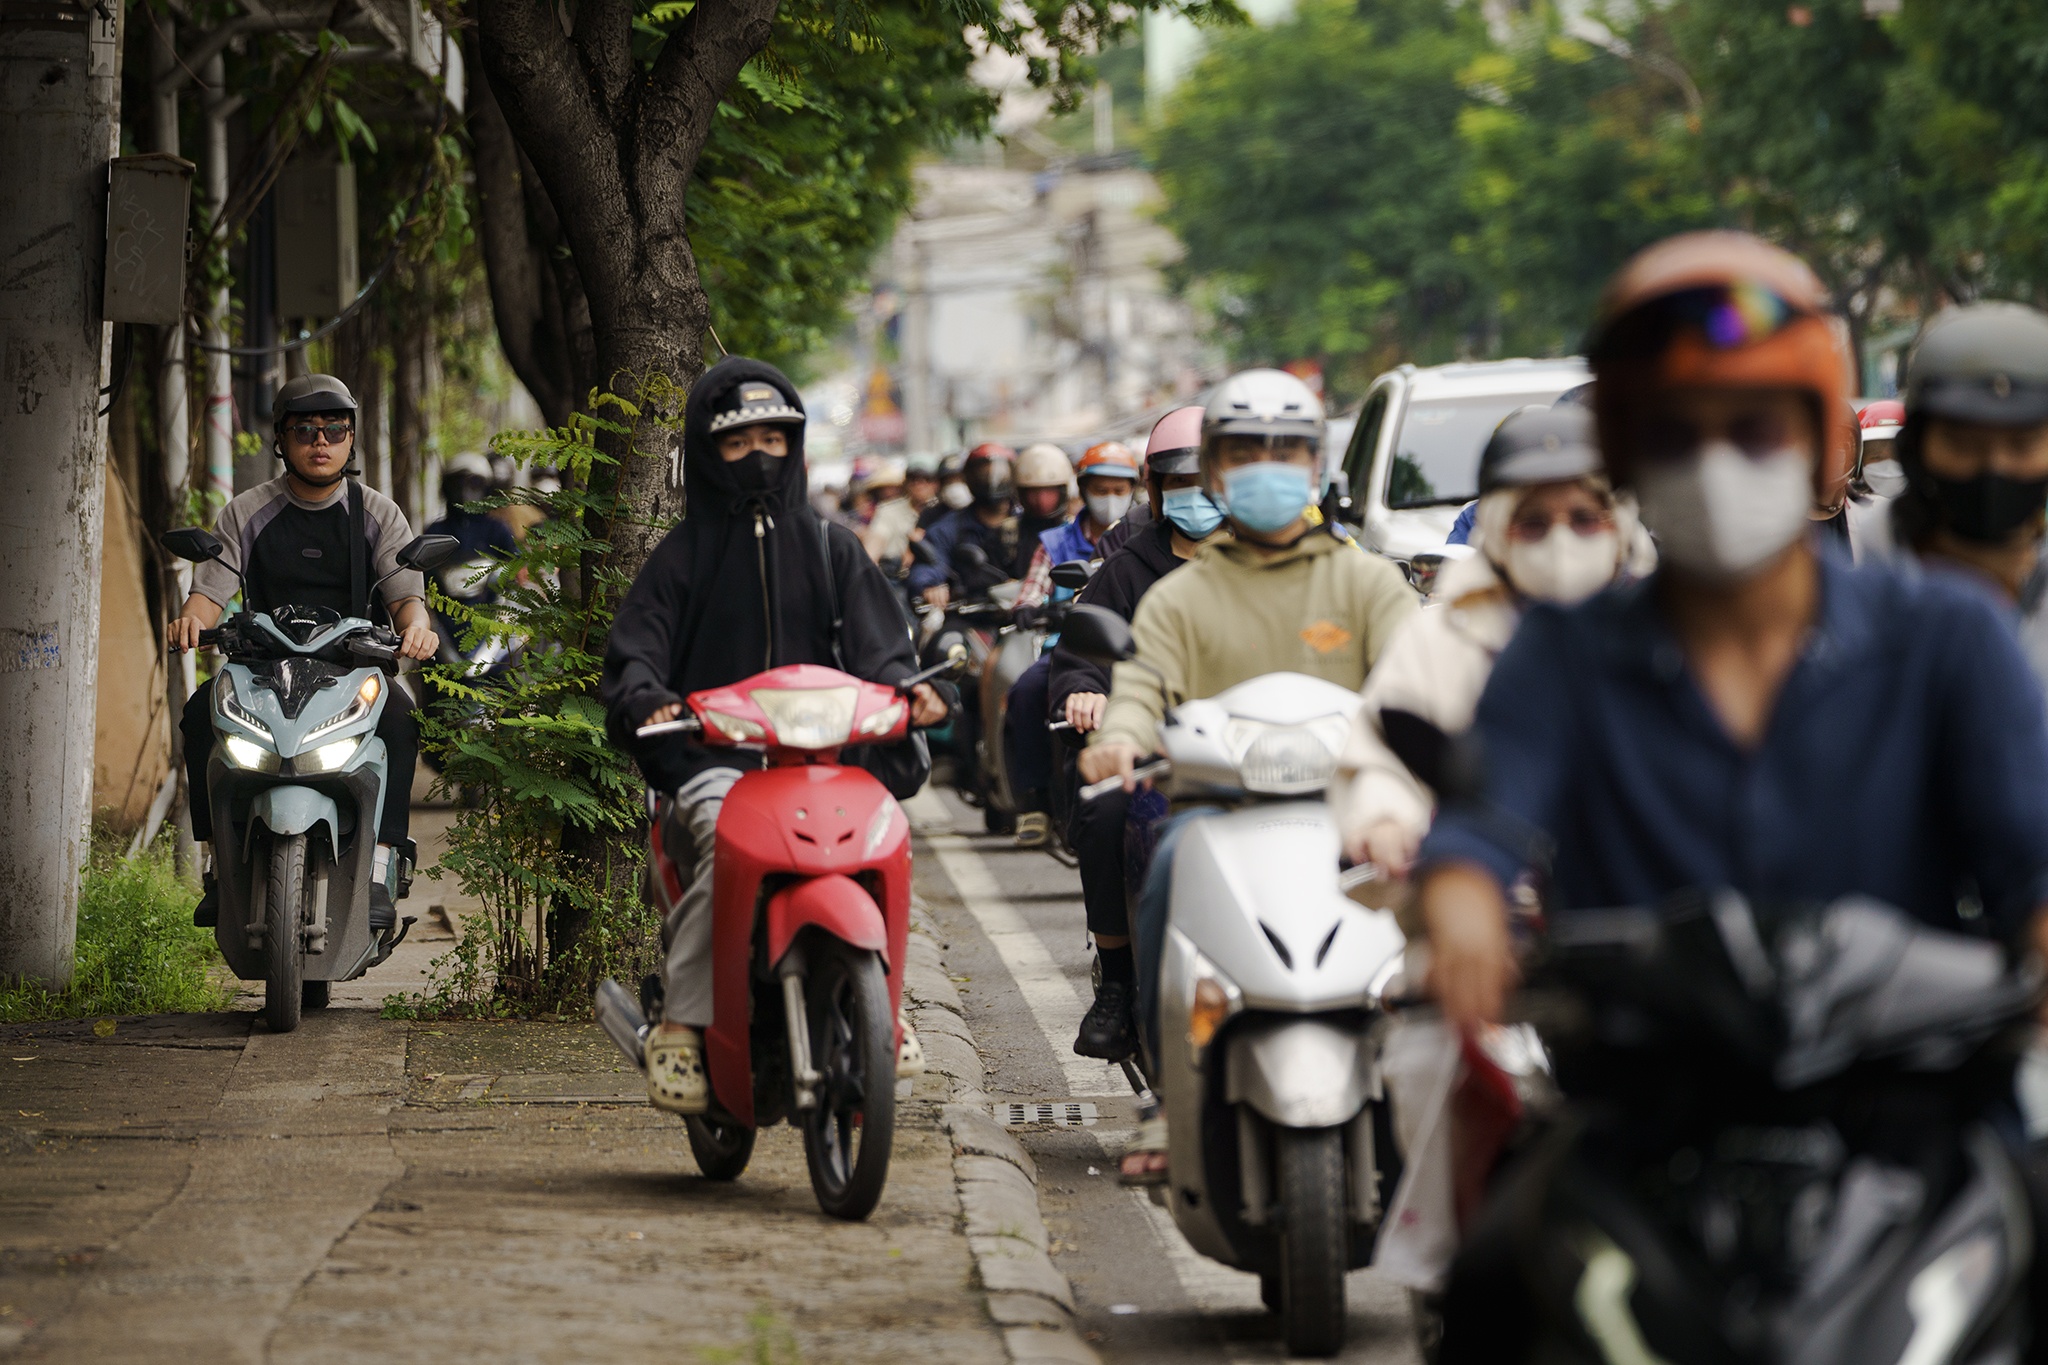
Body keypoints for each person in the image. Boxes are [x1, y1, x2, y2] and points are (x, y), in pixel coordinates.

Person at [1411, 227, 2048, 1119]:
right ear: (1627, 455)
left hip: (1911, 1128)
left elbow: (2031, 860)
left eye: (1753, 426)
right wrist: (1462, 902)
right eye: (1675, 433)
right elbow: (1480, 829)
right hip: (1637, 1135)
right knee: (1488, 1256)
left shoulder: (1947, 637)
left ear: (1816, 441)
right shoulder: (1560, 655)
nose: (1715, 463)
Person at [1078, 369, 1419, 1178]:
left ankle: (1428, 1078)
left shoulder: (1365, 579)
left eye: (1286, 452)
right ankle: (1169, 1098)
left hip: (1350, 804)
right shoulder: (1179, 596)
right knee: (1163, 871)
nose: (1264, 469)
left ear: (1314, 468)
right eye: (1243, 454)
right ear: (1213, 472)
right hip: (1218, 809)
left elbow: (1422, 675)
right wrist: (1118, 736)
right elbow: (1139, 686)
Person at [600, 358, 951, 1114]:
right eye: (737, 441)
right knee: (722, 849)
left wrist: (916, 695)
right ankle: (685, 1027)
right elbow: (638, 652)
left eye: (773, 436)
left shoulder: (835, 550)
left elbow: (887, 654)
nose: (758, 453)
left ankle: (888, 1004)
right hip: (715, 763)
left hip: (828, 766)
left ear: (795, 444)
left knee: (883, 845)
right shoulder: (679, 559)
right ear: (705, 451)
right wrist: (647, 697)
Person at [1331, 405, 1654, 880]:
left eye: (1585, 519)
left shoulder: (1671, 626)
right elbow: (1382, 760)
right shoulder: (1443, 635)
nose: (1561, 543)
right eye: (1534, 523)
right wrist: (1386, 821)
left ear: (1619, 524)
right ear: (1500, 534)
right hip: (1485, 897)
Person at [169, 375, 439, 931]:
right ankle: (219, 862)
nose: (321, 441)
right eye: (306, 430)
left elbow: (407, 599)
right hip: (263, 670)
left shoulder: (378, 515)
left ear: (351, 439)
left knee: (403, 722)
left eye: (335, 429)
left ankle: (381, 865)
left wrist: (419, 631)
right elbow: (207, 597)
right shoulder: (247, 512)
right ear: (281, 439)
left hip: (355, 669)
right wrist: (191, 623)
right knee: (198, 716)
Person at [1054, 406, 1226, 1058]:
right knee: (1102, 808)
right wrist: (1084, 692)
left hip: (1262, 753)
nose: (1195, 495)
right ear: (1154, 489)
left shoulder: (1271, 563)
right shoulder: (1126, 570)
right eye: (1178, 481)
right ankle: (1120, 982)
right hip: (1160, 752)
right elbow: (1083, 653)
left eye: (1206, 478)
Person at [1882, 305, 2048, 695]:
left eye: (2021, 445)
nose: (1994, 468)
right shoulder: (1851, 582)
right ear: (1915, 448)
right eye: (1963, 444)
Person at [1003, 442, 1141, 847]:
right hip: (1073, 650)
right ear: (1083, 489)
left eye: (1120, 489)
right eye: (1102, 489)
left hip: (1132, 652)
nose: (1111, 499)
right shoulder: (1056, 541)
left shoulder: (1140, 538)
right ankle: (1036, 803)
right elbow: (1031, 590)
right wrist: (1030, 609)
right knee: (1028, 690)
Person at [909, 444, 1021, 610]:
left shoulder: (1028, 524)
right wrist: (930, 587)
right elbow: (931, 563)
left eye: (999, 475)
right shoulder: (948, 528)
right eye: (983, 475)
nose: (992, 481)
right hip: (970, 615)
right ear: (969, 477)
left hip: (1027, 616)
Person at [423, 453, 518, 643]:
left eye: (473, 483)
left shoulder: (497, 529)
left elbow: (515, 564)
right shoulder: (436, 530)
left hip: (489, 612)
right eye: (457, 483)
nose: (465, 491)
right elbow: (421, 571)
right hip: (445, 617)